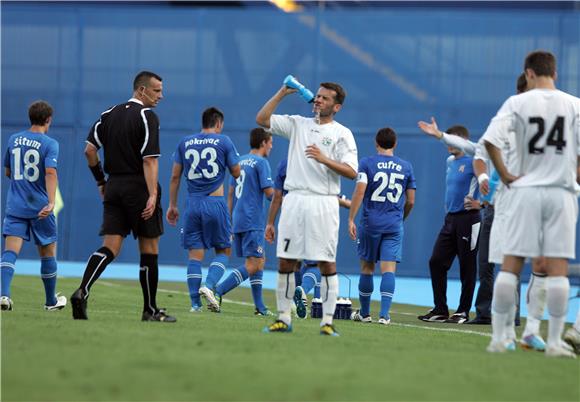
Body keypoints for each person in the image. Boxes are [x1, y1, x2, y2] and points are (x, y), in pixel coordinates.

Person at [483, 50, 579, 358]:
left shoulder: (517, 102)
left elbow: (490, 141)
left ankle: (499, 338)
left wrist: (506, 174)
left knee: (511, 263)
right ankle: (553, 342)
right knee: (558, 268)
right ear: (555, 73)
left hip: (525, 190)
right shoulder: (575, 104)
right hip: (561, 192)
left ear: (529, 74)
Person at [70, 71, 175, 322]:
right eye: (157, 90)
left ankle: (82, 290)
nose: (161, 95)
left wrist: (100, 181)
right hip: (138, 186)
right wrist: (152, 195)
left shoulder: (108, 114)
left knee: (110, 246)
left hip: (114, 185)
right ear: (141, 90)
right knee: (149, 249)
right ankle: (150, 310)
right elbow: (149, 161)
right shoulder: (147, 116)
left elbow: (89, 151)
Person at [257, 80, 358, 336]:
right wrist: (282, 92)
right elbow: (262, 119)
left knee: (326, 262)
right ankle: (283, 318)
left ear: (336, 107)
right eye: (318, 96)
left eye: (324, 98)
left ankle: (326, 322)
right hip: (295, 200)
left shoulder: (342, 133)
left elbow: (351, 171)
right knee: (286, 260)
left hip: (324, 201)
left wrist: (325, 159)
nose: (318, 100)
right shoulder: (297, 124)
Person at [166, 107, 240, 313]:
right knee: (224, 251)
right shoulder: (224, 141)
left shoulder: (185, 142)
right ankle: (208, 286)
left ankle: (195, 305)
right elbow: (236, 172)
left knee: (195, 256)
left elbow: (174, 177)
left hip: (192, 204)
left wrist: (172, 205)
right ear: (218, 123)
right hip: (215, 203)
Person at [1, 100, 66, 312]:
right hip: (40, 208)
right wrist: (50, 201)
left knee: (10, 252)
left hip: (16, 206)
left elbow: (8, 172)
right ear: (48, 120)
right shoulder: (50, 144)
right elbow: (50, 173)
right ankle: (50, 301)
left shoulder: (13, 139)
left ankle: (4, 295)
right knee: (48, 252)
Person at [265, 157, 349, 319]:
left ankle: (291, 304)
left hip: (291, 215)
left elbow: (277, 197)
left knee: (293, 262)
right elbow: (330, 194)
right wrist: (345, 204)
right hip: (316, 214)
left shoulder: (285, 162)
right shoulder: (321, 160)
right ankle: (303, 291)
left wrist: (270, 222)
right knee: (316, 263)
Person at [348, 127, 416, 325]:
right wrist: (400, 218)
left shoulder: (367, 163)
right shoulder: (406, 166)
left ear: (376, 143)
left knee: (367, 267)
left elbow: (360, 192)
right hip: (393, 224)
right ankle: (384, 315)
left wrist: (350, 218)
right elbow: (411, 200)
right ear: (395, 144)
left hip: (370, 223)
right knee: (388, 269)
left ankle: (365, 313)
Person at [415, 125, 481, 324]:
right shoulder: (450, 161)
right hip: (450, 219)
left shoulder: (475, 161)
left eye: (452, 140)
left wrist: (482, 203)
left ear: (461, 141)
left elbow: (492, 184)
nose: (448, 145)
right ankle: (441, 309)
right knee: (436, 261)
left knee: (467, 267)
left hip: (470, 219)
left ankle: (463, 311)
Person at [210, 127, 274, 315]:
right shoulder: (261, 163)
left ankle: (259, 307)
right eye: (270, 143)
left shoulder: (239, 161)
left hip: (238, 218)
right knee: (254, 263)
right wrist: (287, 196)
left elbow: (230, 193)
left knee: (259, 260)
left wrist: (229, 221)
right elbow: (270, 194)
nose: (271, 147)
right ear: (263, 143)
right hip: (252, 219)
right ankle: (218, 291)